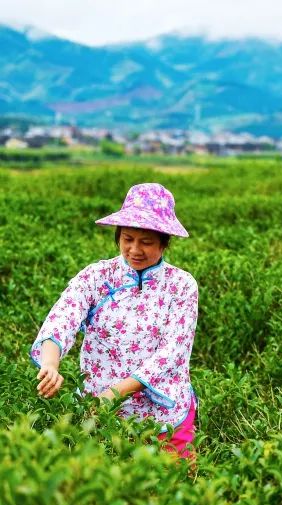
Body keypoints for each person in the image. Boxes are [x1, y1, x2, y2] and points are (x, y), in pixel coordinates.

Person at [31, 183, 199, 458]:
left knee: (175, 485)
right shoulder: (96, 276)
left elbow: (173, 351)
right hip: (102, 406)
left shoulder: (181, 285)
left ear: (164, 242)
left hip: (164, 407)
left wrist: (117, 391)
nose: (135, 249)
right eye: (127, 239)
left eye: (146, 242)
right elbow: (62, 317)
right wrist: (50, 363)